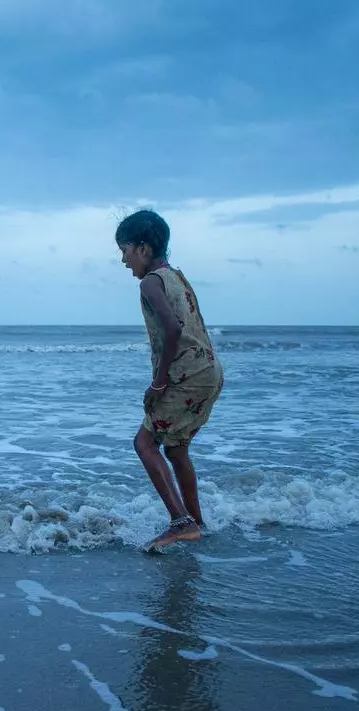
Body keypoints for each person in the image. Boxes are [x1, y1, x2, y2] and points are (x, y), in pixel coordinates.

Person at [116, 209, 224, 550]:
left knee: (144, 444)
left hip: (185, 377)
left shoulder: (151, 282)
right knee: (176, 449)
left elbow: (173, 329)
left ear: (144, 249)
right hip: (209, 372)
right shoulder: (177, 277)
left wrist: (159, 382)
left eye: (126, 250)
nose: (124, 260)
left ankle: (180, 523)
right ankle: (195, 522)